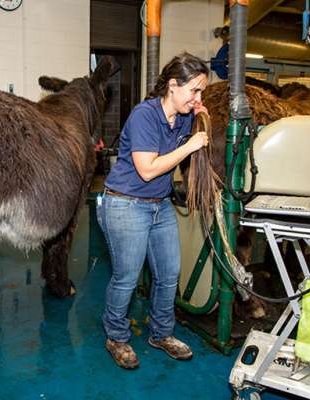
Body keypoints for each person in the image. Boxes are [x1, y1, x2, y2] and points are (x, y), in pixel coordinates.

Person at [96, 52, 210, 369]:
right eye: (194, 90)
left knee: (169, 274)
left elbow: (187, 134)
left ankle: (161, 333)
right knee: (127, 277)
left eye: (201, 91)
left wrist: (198, 113)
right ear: (173, 85)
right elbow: (147, 170)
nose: (198, 97)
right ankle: (116, 337)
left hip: (159, 205)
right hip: (125, 203)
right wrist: (189, 146)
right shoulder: (144, 115)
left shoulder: (184, 115)